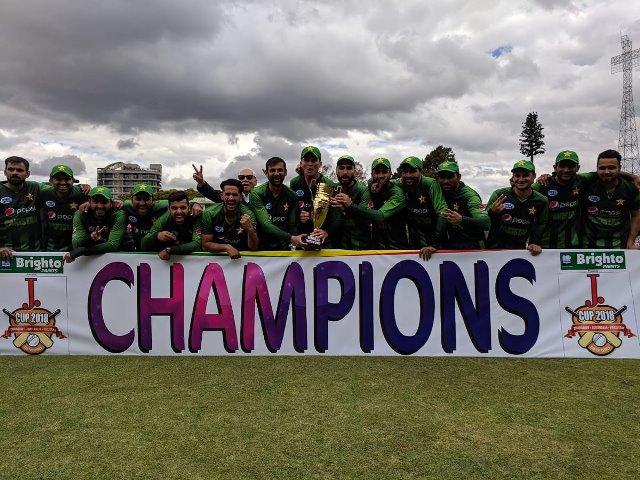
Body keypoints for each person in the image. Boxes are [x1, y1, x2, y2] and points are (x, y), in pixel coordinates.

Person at [338, 158, 407, 249]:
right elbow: (371, 181)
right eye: (377, 172)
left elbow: (380, 216)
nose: (381, 176)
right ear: (372, 175)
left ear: (390, 173)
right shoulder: (371, 184)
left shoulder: (398, 194)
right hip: (376, 250)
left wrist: (350, 205)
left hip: (397, 250)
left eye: (385, 172)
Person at [486, 160, 549, 256]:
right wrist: (492, 212)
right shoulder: (499, 194)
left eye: (525, 175)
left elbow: (541, 224)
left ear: (534, 176)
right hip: (493, 251)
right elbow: (485, 222)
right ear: (513, 177)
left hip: (521, 252)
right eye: (517, 175)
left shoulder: (542, 200)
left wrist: (534, 242)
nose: (521, 179)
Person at [580, 149, 640, 249]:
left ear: (620, 168)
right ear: (597, 169)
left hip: (619, 247)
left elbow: (636, 215)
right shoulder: (587, 183)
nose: (606, 172)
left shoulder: (630, 188)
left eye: (611, 167)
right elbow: (568, 176)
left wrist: (631, 243)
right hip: (588, 247)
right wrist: (545, 177)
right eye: (602, 168)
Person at [248, 157, 307, 250]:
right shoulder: (256, 194)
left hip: (284, 248)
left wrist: (301, 240)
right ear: (266, 173)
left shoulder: (292, 195)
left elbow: (291, 224)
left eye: (280, 170)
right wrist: (291, 238)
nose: (276, 174)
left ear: (285, 172)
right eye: (272, 170)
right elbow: (266, 225)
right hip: (262, 248)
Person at [397, 156, 448, 259]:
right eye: (405, 171)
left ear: (420, 171)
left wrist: (434, 245)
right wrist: (373, 184)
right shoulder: (400, 183)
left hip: (436, 247)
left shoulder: (430, 184)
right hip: (414, 246)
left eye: (412, 171)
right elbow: (377, 181)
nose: (408, 175)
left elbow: (443, 213)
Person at [289, 145, 340, 247]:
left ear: (320, 164)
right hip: (302, 239)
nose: (310, 164)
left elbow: (337, 219)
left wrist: (326, 232)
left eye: (313, 160)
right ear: (301, 163)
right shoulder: (294, 183)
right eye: (306, 160)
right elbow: (292, 214)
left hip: (324, 242)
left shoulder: (329, 185)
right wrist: (300, 218)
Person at [65, 186, 134, 262]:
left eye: (104, 202)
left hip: (119, 258)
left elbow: (112, 245)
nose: (100, 206)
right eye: (95, 202)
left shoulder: (119, 214)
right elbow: (76, 244)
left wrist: (80, 251)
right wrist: (90, 238)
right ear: (89, 202)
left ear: (111, 202)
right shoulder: (80, 214)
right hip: (90, 260)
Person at [435, 161, 489, 249]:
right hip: (452, 244)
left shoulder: (470, 196)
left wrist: (461, 220)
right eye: (442, 177)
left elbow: (486, 223)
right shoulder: (438, 191)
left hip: (474, 245)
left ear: (459, 177)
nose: (445, 181)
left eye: (450, 177)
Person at [201, 179, 259, 259]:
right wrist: (226, 247)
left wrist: (250, 230)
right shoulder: (209, 213)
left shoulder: (248, 214)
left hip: (242, 260)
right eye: (227, 194)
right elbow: (205, 245)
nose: (231, 198)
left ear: (241, 197)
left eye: (235, 194)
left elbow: (254, 247)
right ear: (222, 196)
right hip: (218, 260)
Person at [40, 165, 90, 252]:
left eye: (67, 179)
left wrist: (89, 202)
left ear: (73, 180)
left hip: (75, 247)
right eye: (58, 179)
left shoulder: (82, 192)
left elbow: (101, 202)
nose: (63, 182)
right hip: (50, 247)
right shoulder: (44, 193)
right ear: (51, 181)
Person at [0, 156, 42, 260]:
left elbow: (60, 187)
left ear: (27, 174)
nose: (14, 173)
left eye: (19, 170)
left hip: (34, 254)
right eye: (10, 169)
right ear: (5, 172)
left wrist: (83, 187)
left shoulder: (35, 187)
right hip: (6, 254)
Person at [141, 191, 202, 260]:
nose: (179, 211)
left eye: (183, 208)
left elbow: (197, 245)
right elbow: (143, 245)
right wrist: (157, 235)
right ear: (169, 209)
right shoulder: (163, 220)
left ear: (189, 208)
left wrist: (170, 249)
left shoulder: (195, 217)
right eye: (174, 208)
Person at [329, 155, 370, 249]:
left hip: (359, 245)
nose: (345, 172)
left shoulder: (363, 190)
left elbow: (367, 216)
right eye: (341, 168)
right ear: (336, 170)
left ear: (355, 171)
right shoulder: (333, 189)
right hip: (338, 246)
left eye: (349, 168)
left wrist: (348, 207)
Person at [122, 183, 169, 250]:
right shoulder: (126, 206)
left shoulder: (164, 206)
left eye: (146, 199)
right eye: (138, 199)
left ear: (153, 200)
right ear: (132, 200)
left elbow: (184, 203)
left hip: (160, 252)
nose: (142, 203)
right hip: (139, 251)